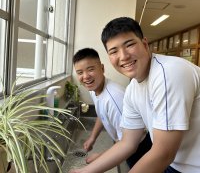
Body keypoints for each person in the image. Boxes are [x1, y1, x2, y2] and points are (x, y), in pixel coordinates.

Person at [69, 17, 200, 173]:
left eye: (129, 45)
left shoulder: (169, 73)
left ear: (145, 44)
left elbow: (164, 153)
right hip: (175, 164)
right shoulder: (133, 89)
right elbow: (127, 143)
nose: (123, 56)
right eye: (114, 51)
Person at [72, 48, 152, 167]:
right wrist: (92, 137)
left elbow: (128, 142)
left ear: (102, 68)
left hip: (140, 148)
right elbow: (102, 114)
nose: (86, 76)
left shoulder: (114, 99)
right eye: (80, 72)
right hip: (127, 144)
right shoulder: (94, 89)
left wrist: (100, 157)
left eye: (90, 69)